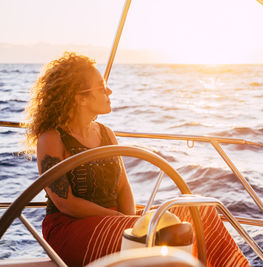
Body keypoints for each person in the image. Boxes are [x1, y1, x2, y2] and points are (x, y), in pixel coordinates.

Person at [25, 52, 250, 267]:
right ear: (81, 98)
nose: (109, 91)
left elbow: (122, 186)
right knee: (153, 233)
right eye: (102, 88)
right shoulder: (52, 138)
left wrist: (130, 218)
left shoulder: (106, 133)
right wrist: (123, 220)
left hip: (116, 219)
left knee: (199, 211)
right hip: (70, 228)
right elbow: (66, 203)